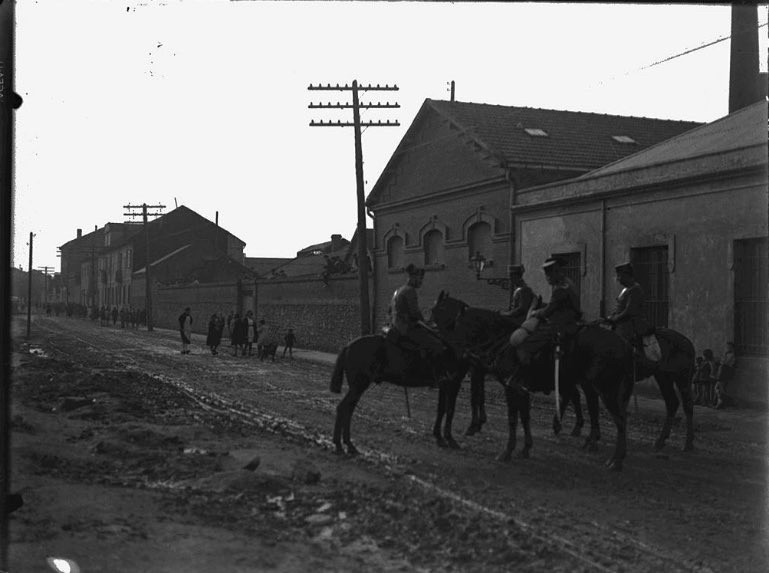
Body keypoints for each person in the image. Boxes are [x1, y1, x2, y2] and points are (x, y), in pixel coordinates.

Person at [510, 257, 581, 366]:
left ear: (556, 272)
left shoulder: (560, 289)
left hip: (561, 324)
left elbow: (548, 311)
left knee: (527, 344)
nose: (547, 278)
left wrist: (535, 312)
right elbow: (557, 305)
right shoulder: (566, 283)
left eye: (549, 275)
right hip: (570, 320)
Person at [388, 263, 445, 367]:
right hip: (406, 328)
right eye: (419, 279)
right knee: (435, 343)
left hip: (395, 326)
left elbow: (389, 310)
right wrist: (426, 323)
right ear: (413, 278)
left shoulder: (398, 290)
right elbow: (415, 313)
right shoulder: (410, 291)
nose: (420, 282)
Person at [606, 262, 659, 367]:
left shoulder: (635, 289)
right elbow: (619, 307)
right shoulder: (625, 290)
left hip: (632, 326)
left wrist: (614, 319)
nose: (618, 279)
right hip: (621, 324)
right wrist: (610, 317)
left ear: (627, 276)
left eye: (620, 276)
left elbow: (629, 311)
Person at [714, 342, 737, 409]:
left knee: (719, 388)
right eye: (727, 347)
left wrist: (722, 359)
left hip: (725, 371)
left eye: (728, 347)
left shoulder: (732, 355)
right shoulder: (727, 354)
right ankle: (722, 402)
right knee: (719, 388)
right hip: (723, 371)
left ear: (732, 348)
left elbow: (725, 363)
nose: (727, 348)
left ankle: (728, 401)